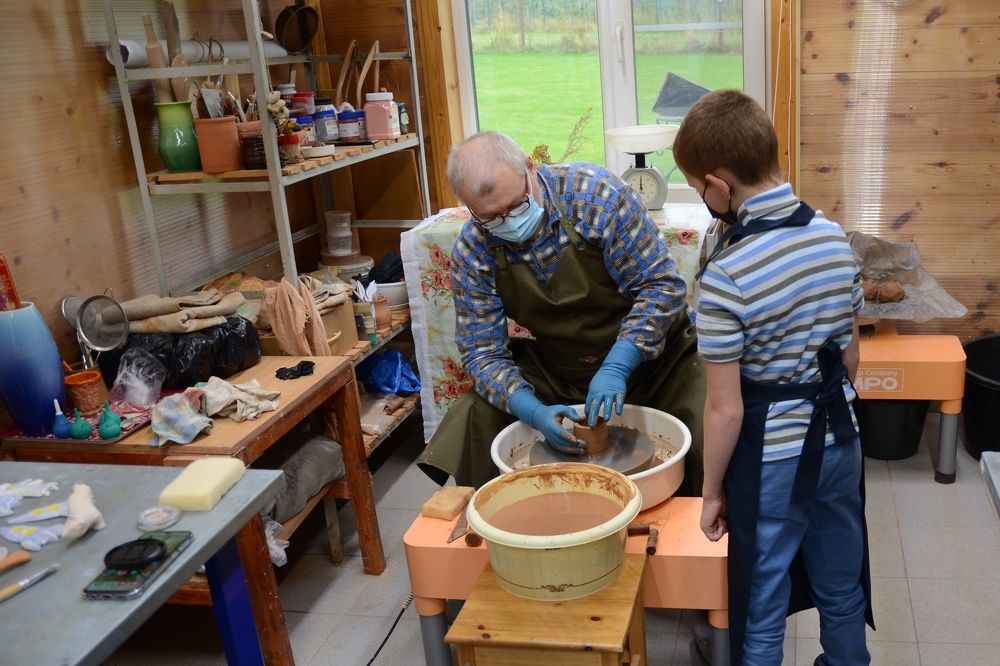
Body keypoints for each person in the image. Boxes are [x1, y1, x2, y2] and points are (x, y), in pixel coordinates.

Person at [671, 89, 874, 666]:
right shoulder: (834, 238)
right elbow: (850, 358)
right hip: (841, 438)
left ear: (719, 183)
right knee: (841, 581)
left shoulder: (727, 275)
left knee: (760, 605)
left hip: (773, 457)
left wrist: (711, 493)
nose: (702, 199)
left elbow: (725, 410)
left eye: (696, 189)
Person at [416, 131, 705, 494]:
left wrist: (618, 364)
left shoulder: (595, 196)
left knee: (710, 417)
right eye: (492, 218)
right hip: (562, 368)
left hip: (657, 360)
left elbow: (662, 286)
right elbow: (482, 353)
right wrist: (531, 410)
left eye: (517, 206)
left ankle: (703, 528)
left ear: (530, 169)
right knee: (475, 414)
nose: (509, 222)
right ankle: (502, 526)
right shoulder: (474, 247)